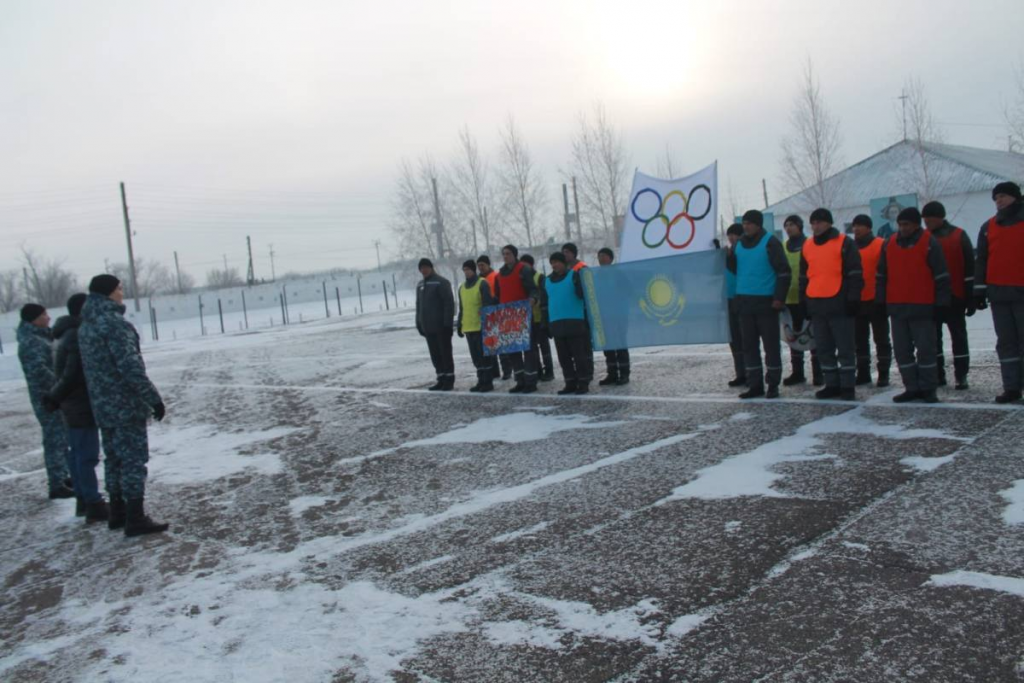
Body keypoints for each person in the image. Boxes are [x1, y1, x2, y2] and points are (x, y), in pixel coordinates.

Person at [78, 275, 168, 536]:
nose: (121, 293)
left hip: (102, 405)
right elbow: (130, 367)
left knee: (114, 459)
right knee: (132, 460)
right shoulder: (114, 324)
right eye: (119, 289)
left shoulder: (86, 326)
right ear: (108, 292)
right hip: (124, 405)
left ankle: (117, 512)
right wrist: (153, 398)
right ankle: (135, 517)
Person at [876, 208, 951, 403]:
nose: (902, 228)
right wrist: (880, 301)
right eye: (900, 224)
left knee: (926, 351)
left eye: (906, 224)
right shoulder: (889, 244)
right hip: (897, 308)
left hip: (923, 307)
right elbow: (881, 275)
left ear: (917, 225)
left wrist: (942, 304)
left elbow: (941, 276)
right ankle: (911, 387)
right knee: (902, 352)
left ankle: (928, 389)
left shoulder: (929, 242)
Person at [45, 293, 109, 523]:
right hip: (80, 404)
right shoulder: (75, 335)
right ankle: (92, 502)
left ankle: (84, 499)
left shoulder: (65, 333)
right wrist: (55, 396)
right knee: (85, 455)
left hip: (72, 404)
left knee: (77, 454)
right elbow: (73, 374)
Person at [800, 208, 864, 400]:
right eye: (813, 223)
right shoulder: (807, 245)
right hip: (816, 304)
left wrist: (853, 298)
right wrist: (804, 301)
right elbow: (803, 276)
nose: (816, 226)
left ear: (829, 223)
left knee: (845, 348)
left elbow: (855, 273)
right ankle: (831, 384)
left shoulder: (845, 242)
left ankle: (848, 386)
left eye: (819, 222)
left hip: (840, 303)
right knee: (823, 348)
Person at [726, 210, 791, 399]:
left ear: (758, 224)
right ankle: (755, 385)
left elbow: (784, 272)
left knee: (771, 347)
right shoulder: (738, 244)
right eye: (744, 223)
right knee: (749, 347)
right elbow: (735, 269)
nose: (746, 226)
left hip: (766, 303)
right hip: (744, 303)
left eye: (749, 223)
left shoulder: (770, 242)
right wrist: (727, 257)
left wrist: (779, 298)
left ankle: (773, 384)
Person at [16, 303, 73, 500]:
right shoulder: (31, 341)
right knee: (54, 439)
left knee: (62, 438)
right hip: (47, 398)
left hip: (55, 394)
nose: (48, 318)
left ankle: (63, 476)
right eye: (43, 315)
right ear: (34, 319)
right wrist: (60, 384)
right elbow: (39, 371)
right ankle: (56, 483)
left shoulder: (42, 337)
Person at [975, 181, 1024, 403]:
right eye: (996, 198)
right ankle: (1011, 388)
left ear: (1015, 197)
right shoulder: (988, 227)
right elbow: (982, 260)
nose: (999, 201)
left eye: (1003, 196)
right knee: (1006, 343)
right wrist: (979, 290)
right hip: (999, 295)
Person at [923, 201, 975, 390]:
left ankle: (961, 375)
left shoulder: (959, 235)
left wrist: (971, 296)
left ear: (940, 217)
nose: (926, 222)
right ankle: (938, 375)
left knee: (958, 337)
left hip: (955, 295)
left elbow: (970, 268)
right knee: (933, 339)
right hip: (931, 297)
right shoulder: (923, 238)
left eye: (929, 218)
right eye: (925, 219)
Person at [492, 244, 541, 394]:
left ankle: (531, 381)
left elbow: (533, 289)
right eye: (503, 254)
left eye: (508, 253)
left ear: (514, 255)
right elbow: (497, 296)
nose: (505, 256)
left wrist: (533, 299)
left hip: (523, 314)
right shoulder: (499, 275)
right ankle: (520, 381)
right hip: (507, 317)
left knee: (528, 349)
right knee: (513, 351)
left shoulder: (524, 270)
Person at [851, 214, 893, 387]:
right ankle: (863, 372)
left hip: (877, 300)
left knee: (881, 339)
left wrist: (885, 298)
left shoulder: (881, 244)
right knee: (859, 341)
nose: (856, 229)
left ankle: (883, 373)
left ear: (869, 228)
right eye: (854, 226)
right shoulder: (850, 247)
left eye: (859, 225)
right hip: (857, 301)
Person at [544, 252, 593, 394]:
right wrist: (546, 324)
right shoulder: (547, 281)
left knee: (579, 356)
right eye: (552, 262)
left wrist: (581, 283)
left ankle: (583, 382)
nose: (554, 265)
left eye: (557, 262)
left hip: (575, 322)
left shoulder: (574, 276)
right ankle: (570, 382)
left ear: (564, 263)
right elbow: (544, 303)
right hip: (556, 323)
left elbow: (583, 295)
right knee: (563, 357)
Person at [781, 215, 822, 386]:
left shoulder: (809, 244)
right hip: (789, 298)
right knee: (793, 336)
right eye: (786, 225)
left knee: (812, 336)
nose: (789, 228)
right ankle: (797, 372)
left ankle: (818, 373)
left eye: (792, 224)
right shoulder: (783, 246)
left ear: (800, 226)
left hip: (808, 297)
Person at [415, 258, 456, 391]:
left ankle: (449, 380)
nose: (424, 270)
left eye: (426, 267)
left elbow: (449, 304)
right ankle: (441, 378)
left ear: (431, 268)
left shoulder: (441, 282)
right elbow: (418, 306)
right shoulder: (420, 285)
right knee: (435, 356)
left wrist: (447, 324)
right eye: (422, 268)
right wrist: (418, 323)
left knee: (445, 354)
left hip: (441, 327)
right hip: (428, 328)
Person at [456, 260, 496, 393]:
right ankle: (481, 380)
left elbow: (487, 305)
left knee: (484, 357)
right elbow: (462, 308)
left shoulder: (482, 283)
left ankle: (488, 382)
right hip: (468, 328)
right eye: (464, 270)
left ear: (473, 270)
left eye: (468, 269)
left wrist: (487, 325)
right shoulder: (462, 287)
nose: (466, 272)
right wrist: (460, 324)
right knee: (476, 358)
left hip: (481, 327)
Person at [596, 247, 632, 386]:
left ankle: (624, 373)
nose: (601, 259)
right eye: (599, 256)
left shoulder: (618, 273)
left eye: (604, 256)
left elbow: (628, 291)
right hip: (604, 315)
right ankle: (612, 373)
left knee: (620, 343)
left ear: (611, 259)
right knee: (608, 345)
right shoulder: (597, 275)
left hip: (618, 315)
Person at [520, 254, 555, 382]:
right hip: (527, 319)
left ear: (531, 264)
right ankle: (538, 370)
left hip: (539, 317)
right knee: (532, 347)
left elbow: (543, 295)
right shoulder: (521, 279)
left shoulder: (539, 277)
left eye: (524, 265)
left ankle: (549, 371)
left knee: (544, 346)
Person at [478, 254, 510, 381]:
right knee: (490, 344)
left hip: (497, 312)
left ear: (488, 264)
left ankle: (507, 370)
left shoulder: (496, 276)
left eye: (482, 265)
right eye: (479, 265)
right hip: (485, 315)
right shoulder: (478, 280)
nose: (480, 267)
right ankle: (494, 371)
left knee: (500, 344)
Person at [723, 224, 746, 387]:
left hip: (742, 297)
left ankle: (750, 372)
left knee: (745, 338)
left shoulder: (743, 250)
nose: (732, 238)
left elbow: (737, 268)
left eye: (734, 234)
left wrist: (729, 257)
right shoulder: (729, 251)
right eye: (729, 235)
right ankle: (741, 373)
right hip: (729, 298)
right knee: (734, 338)